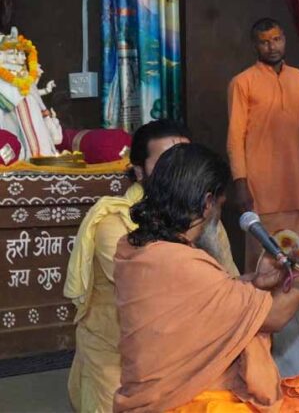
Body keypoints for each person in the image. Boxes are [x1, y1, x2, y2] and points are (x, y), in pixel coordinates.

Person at [112, 143, 299, 412]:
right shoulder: (178, 262)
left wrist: (255, 282)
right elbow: (275, 316)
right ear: (207, 203)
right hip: (191, 403)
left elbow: (198, 303)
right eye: (220, 206)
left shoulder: (138, 251)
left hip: (195, 394)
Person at [64, 120, 239, 413]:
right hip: (118, 364)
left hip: (184, 358)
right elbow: (163, 295)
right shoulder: (113, 224)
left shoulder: (204, 219)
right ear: (139, 171)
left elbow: (230, 284)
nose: (176, 174)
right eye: (166, 165)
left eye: (184, 163)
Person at [227, 18, 299, 272]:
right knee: (263, 265)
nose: (272, 47)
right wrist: (241, 184)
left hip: (295, 187)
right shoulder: (242, 82)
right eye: (264, 42)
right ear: (255, 46)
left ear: (284, 40)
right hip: (260, 190)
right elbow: (235, 138)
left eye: (276, 39)